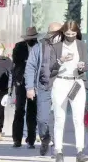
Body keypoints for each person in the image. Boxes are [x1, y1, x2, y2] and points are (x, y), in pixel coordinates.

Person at [49, 20, 88, 162]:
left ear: (77, 32)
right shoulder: (56, 47)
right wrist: (60, 61)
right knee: (60, 118)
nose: (71, 36)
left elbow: (86, 66)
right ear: (63, 33)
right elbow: (50, 68)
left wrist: (81, 66)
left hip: (76, 82)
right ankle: (59, 151)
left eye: (73, 33)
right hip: (60, 82)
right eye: (68, 34)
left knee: (78, 118)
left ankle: (80, 151)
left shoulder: (81, 45)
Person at [24, 22, 62, 156]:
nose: (56, 36)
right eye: (53, 33)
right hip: (44, 86)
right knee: (42, 119)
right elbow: (30, 67)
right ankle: (45, 138)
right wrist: (29, 87)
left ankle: (57, 148)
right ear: (48, 33)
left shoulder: (68, 46)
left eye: (59, 32)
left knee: (59, 118)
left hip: (62, 87)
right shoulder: (39, 47)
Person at [12, 27, 39, 148]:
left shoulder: (39, 47)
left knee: (32, 112)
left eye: (33, 38)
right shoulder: (19, 46)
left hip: (34, 83)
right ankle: (17, 139)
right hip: (21, 82)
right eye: (29, 38)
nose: (31, 40)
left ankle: (31, 139)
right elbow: (16, 61)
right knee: (19, 110)